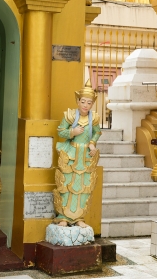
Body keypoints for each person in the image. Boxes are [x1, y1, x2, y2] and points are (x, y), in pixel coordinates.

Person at [53, 80, 101, 227]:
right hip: (71, 154)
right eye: (83, 102)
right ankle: (63, 217)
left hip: (85, 156)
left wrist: (92, 144)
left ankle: (79, 217)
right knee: (66, 185)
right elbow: (60, 131)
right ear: (78, 101)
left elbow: (97, 132)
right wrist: (72, 132)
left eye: (89, 103)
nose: (86, 105)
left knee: (84, 187)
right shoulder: (70, 116)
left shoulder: (94, 118)